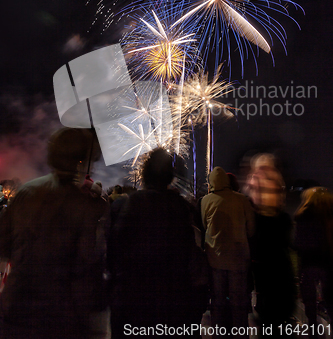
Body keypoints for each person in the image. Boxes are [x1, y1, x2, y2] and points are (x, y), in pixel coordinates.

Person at [0, 128, 104, 339]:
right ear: (82, 162)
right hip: (63, 314)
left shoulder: (27, 192)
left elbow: (3, 244)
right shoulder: (86, 205)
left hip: (19, 306)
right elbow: (88, 263)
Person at [108, 148, 205, 337]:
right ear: (171, 176)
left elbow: (114, 254)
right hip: (172, 301)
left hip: (134, 299)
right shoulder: (181, 208)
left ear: (144, 174)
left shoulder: (126, 205)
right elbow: (188, 256)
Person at [201, 166, 255, 333]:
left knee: (218, 301)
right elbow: (251, 228)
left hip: (215, 259)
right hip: (238, 258)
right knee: (238, 303)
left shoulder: (205, 201)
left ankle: (220, 333)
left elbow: (204, 225)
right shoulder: (242, 200)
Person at [248, 154, 295, 338]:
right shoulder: (282, 219)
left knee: (268, 302)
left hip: (265, 258)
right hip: (277, 260)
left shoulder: (257, 178)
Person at [294, 187, 333, 337]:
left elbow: (299, 243)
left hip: (309, 263)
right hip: (328, 263)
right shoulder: (329, 214)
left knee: (309, 302)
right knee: (330, 300)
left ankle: (314, 330)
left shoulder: (303, 215)